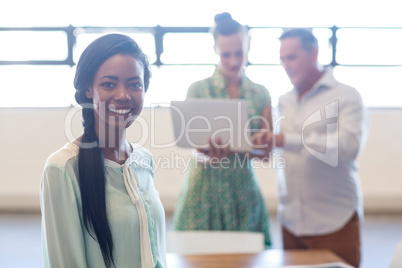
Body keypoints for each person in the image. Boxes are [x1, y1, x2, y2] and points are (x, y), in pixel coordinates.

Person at [40, 34, 166, 268]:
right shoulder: (63, 168)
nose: (123, 95)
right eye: (109, 84)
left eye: (134, 84)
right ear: (89, 90)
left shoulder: (143, 160)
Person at [253, 28, 369, 267]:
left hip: (334, 222)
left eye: (292, 57)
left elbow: (348, 147)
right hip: (291, 224)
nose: (286, 65)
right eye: (282, 59)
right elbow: (276, 149)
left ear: (313, 52)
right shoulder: (283, 100)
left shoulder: (347, 96)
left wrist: (287, 139)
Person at [173, 12, 272, 247]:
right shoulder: (197, 90)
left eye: (239, 53)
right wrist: (208, 156)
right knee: (198, 257)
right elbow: (193, 149)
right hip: (203, 191)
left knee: (248, 257)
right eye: (226, 54)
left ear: (248, 47)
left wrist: (240, 149)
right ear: (215, 49)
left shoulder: (260, 93)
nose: (233, 61)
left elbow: (267, 153)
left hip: (243, 192)